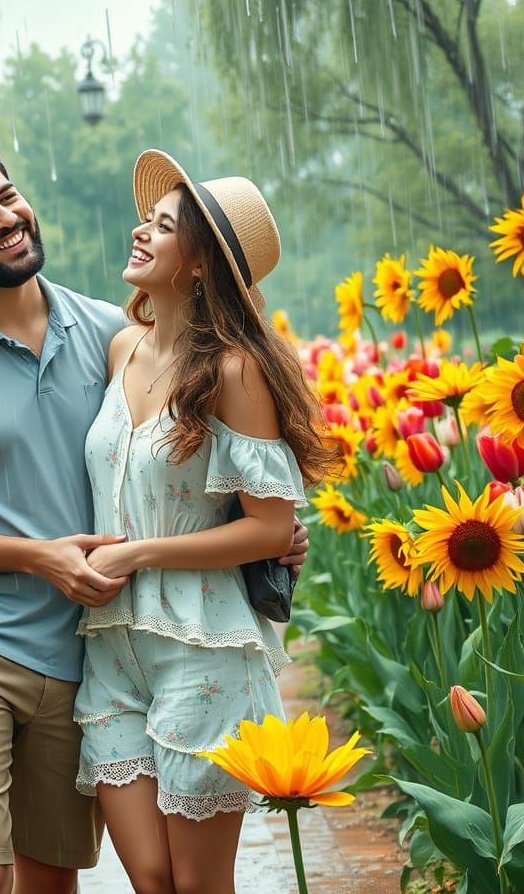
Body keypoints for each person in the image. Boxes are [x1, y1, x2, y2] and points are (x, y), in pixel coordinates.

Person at [0, 133, 309, 894]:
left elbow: (236, 481)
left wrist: (270, 539)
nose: (6, 218)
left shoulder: (104, 333)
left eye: (7, 196)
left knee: (65, 880)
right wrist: (40, 555)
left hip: (86, 648)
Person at [72, 150, 340, 894]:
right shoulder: (120, 347)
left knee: (196, 885)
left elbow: (266, 528)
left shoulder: (232, 370)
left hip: (204, 645)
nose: (139, 232)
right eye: (147, 220)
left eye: (161, 227)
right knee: (150, 879)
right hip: (109, 645)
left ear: (199, 266)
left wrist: (137, 555)